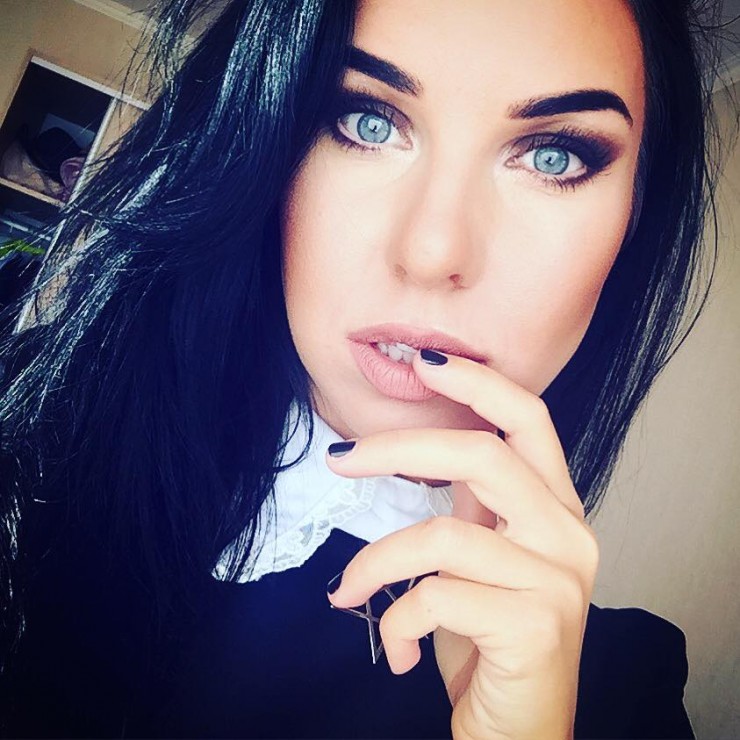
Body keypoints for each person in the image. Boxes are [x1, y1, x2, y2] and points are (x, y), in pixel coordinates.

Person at [0, 0, 731, 737]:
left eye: (554, 157)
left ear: (636, 220)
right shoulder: (29, 443)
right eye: (367, 122)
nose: (432, 252)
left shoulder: (622, 699)